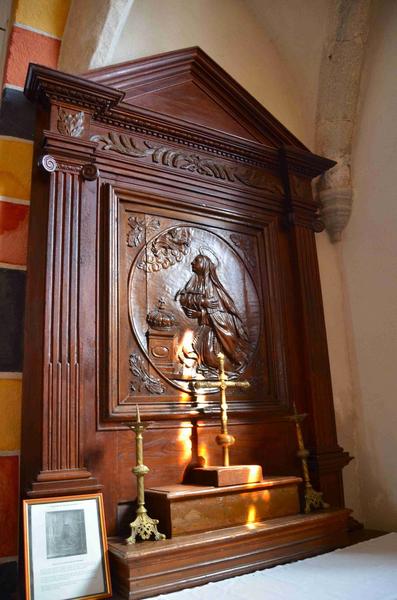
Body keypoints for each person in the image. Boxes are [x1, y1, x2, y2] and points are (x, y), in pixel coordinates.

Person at [175, 253, 250, 376]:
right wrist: (202, 301)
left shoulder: (214, 289)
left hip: (216, 333)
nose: (192, 263)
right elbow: (184, 298)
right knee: (186, 349)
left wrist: (201, 314)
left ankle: (231, 367)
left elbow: (222, 315)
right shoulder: (194, 281)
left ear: (205, 265)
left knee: (211, 357)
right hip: (203, 329)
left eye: (196, 260)